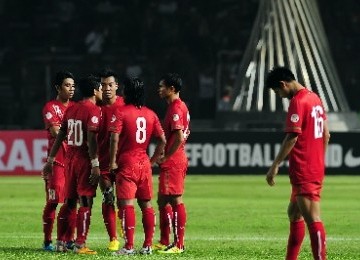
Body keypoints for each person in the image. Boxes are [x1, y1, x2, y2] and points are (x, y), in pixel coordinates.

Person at [265, 67, 330, 260]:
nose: (280, 96)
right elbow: (326, 134)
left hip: (305, 168)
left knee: (313, 219)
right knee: (294, 214)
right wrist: (319, 159)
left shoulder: (298, 101)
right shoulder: (314, 98)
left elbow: (292, 137)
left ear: (283, 84)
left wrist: (275, 165)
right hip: (312, 166)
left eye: (278, 92)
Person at [42, 75, 103, 255]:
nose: (101, 91)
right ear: (94, 91)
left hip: (69, 159)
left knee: (69, 202)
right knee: (86, 201)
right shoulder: (92, 110)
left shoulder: (71, 109)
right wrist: (95, 163)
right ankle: (80, 244)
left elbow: (60, 135)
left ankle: (61, 242)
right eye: (99, 88)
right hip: (84, 159)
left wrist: (50, 160)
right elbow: (91, 139)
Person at [109, 77, 166, 255]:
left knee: (127, 204)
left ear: (126, 93)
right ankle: (148, 245)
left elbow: (114, 137)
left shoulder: (121, 112)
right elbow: (163, 140)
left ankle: (129, 246)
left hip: (127, 162)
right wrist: (153, 160)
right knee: (146, 204)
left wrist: (112, 161)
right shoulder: (151, 114)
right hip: (144, 162)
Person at [154, 73, 190, 254]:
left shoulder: (176, 108)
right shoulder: (177, 106)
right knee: (162, 200)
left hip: (174, 159)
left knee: (175, 200)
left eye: (162, 86)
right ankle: (165, 240)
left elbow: (178, 135)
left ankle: (178, 244)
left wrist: (167, 156)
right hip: (176, 157)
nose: (159, 89)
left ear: (172, 89)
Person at [41, 70, 75, 251]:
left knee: (71, 203)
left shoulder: (76, 107)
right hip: (57, 164)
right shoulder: (50, 107)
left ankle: (68, 239)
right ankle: (47, 241)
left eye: (73, 86)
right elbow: (55, 132)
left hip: (74, 163)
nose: (71, 89)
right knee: (53, 202)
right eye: (67, 85)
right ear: (58, 87)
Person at [97, 68, 125, 251]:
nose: (106, 88)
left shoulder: (125, 105)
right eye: (103, 85)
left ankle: (123, 224)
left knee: (124, 201)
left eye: (110, 84)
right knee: (108, 196)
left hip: (123, 163)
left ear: (116, 86)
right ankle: (113, 238)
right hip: (103, 162)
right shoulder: (94, 107)